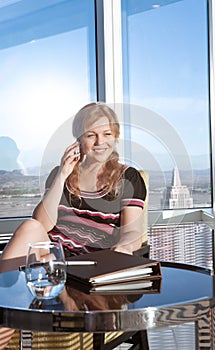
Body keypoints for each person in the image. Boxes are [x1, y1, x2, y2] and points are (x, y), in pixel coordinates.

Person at [0, 102, 147, 348]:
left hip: (88, 270)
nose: (100, 142)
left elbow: (132, 230)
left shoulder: (127, 177)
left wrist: (122, 249)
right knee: (30, 227)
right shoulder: (63, 173)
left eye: (107, 134)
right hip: (49, 264)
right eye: (92, 135)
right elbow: (43, 223)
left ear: (116, 137)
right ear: (79, 139)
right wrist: (62, 175)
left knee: (5, 315)